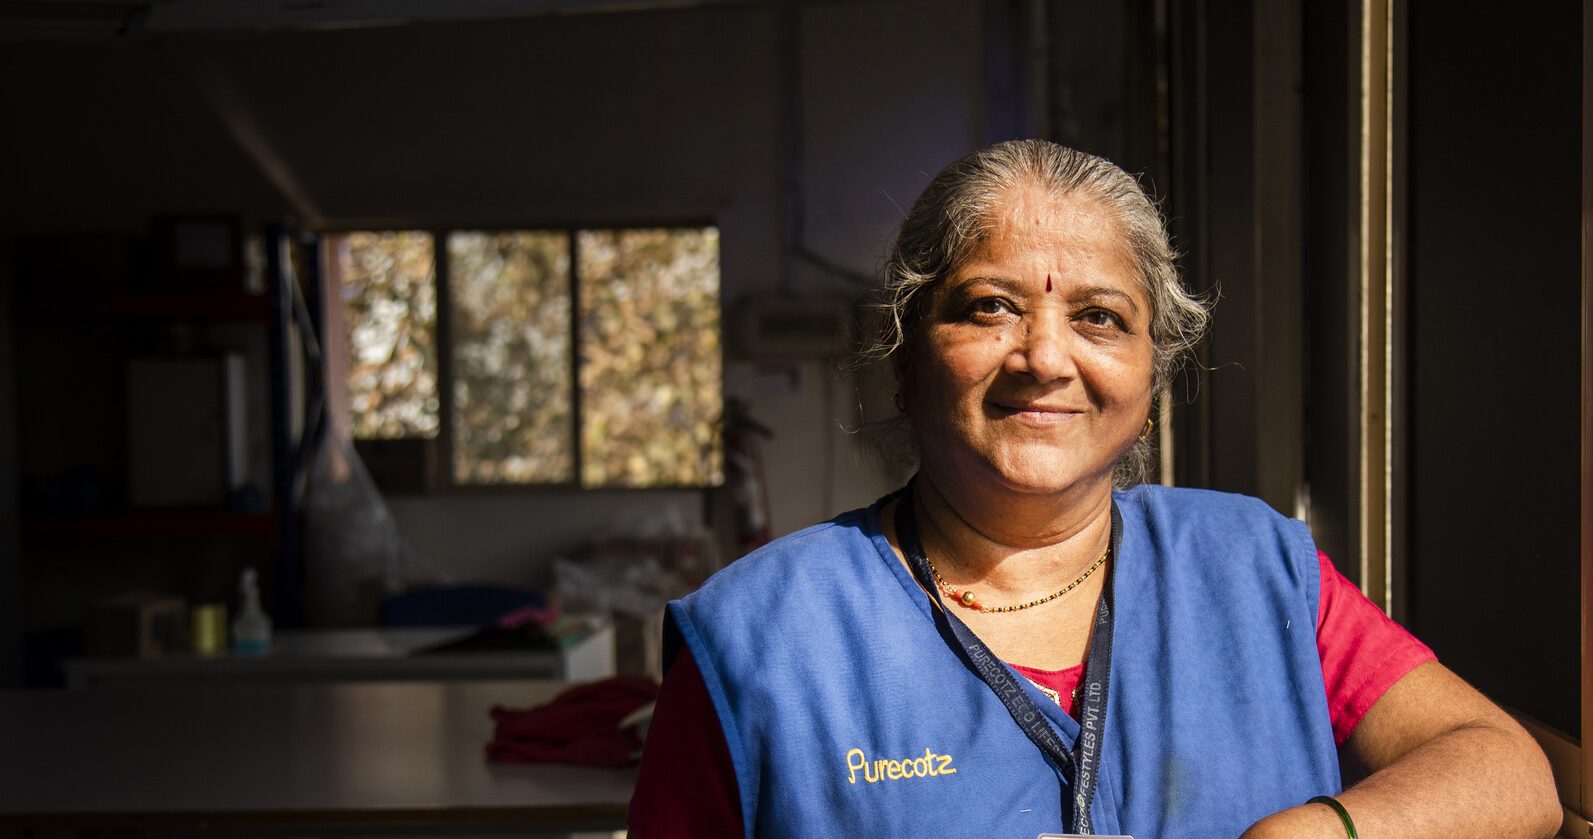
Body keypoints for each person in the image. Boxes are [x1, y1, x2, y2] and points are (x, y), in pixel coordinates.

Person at [629, 140, 1560, 837]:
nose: (1043, 358)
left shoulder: (1255, 569)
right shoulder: (760, 638)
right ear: (904, 364)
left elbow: (1511, 774)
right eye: (989, 306)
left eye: (1099, 318)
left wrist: (1313, 831)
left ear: (1149, 386)